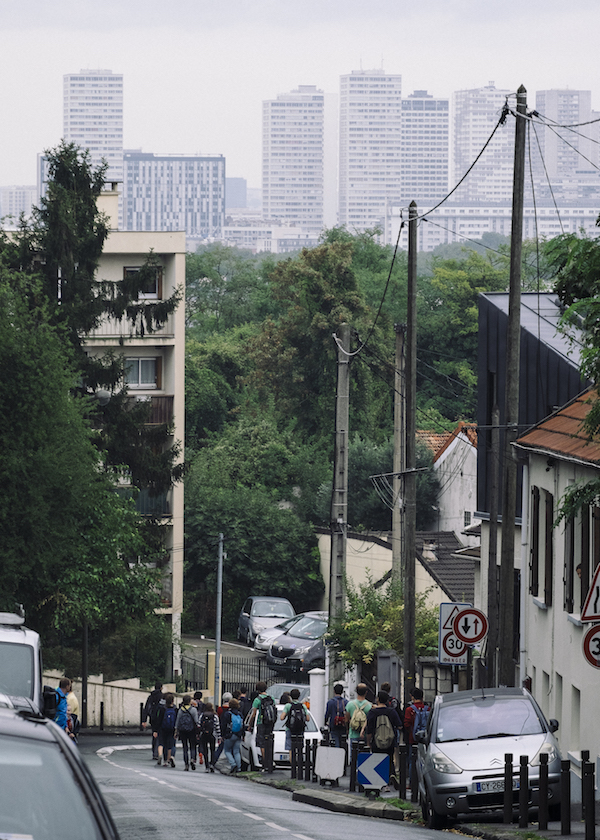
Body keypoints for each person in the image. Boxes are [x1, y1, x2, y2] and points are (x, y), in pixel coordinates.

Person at [365, 689, 402, 787]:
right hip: (390, 741)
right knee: (389, 759)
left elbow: (369, 729)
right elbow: (399, 725)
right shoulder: (391, 711)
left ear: (377, 699)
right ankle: (392, 775)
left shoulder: (372, 712)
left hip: (376, 741)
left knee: (377, 760)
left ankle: (381, 782)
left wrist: (368, 742)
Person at [248, 681, 276, 770]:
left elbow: (253, 713)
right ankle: (270, 760)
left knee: (262, 743)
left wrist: (250, 724)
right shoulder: (272, 698)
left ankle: (265, 762)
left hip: (261, 723)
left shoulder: (257, 700)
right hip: (270, 723)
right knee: (269, 741)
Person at [404, 687, 428, 782]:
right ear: (422, 697)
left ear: (412, 697)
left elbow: (406, 723)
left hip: (412, 739)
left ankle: (412, 782)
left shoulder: (409, 709)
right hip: (425, 740)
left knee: (412, 761)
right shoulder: (428, 708)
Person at [280, 687, 309, 763]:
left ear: (291, 696)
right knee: (299, 747)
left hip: (290, 729)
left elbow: (282, 718)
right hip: (300, 729)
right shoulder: (303, 706)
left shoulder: (288, 706)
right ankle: (299, 764)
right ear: (299, 696)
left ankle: (292, 764)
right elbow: (308, 718)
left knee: (291, 748)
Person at [176, 694, 199, 771]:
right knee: (193, 746)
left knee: (185, 748)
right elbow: (196, 721)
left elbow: (178, 722)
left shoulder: (180, 710)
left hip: (183, 731)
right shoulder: (193, 710)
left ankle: (186, 764)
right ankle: (193, 759)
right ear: (189, 701)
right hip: (191, 730)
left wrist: (176, 731)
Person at [222, 697, 244, 774]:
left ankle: (233, 764)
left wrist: (223, 735)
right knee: (236, 751)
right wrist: (242, 735)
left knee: (227, 750)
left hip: (229, 735)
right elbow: (243, 725)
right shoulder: (240, 714)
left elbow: (224, 725)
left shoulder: (227, 714)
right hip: (238, 735)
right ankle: (239, 767)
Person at [143, 682, 164, 760]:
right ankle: (159, 752)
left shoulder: (151, 696)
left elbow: (146, 708)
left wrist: (144, 720)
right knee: (160, 735)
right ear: (161, 688)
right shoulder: (162, 697)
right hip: (161, 718)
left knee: (154, 735)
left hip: (153, 718)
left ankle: (154, 752)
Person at [156, 692, 177, 768]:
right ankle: (170, 758)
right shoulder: (175, 709)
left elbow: (159, 720)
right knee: (170, 745)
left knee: (162, 743)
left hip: (163, 728)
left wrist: (156, 729)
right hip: (172, 729)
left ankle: (161, 756)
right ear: (173, 701)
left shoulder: (162, 709)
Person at [198, 702, 221, 772]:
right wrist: (219, 737)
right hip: (212, 735)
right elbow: (217, 727)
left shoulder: (202, 715)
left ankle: (207, 766)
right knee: (212, 750)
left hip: (204, 734)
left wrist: (198, 734)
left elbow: (199, 725)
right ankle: (212, 764)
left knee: (205, 751)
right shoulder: (215, 716)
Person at [212, 692, 232, 769]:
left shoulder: (219, 709)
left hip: (221, 728)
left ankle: (213, 760)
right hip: (229, 729)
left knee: (220, 747)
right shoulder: (231, 709)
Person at [324, 683, 347, 749]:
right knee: (343, 742)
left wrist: (325, 722)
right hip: (343, 725)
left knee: (335, 741)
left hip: (333, 725)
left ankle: (337, 755)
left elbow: (327, 714)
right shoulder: (346, 702)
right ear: (342, 692)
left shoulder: (330, 702)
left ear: (334, 691)